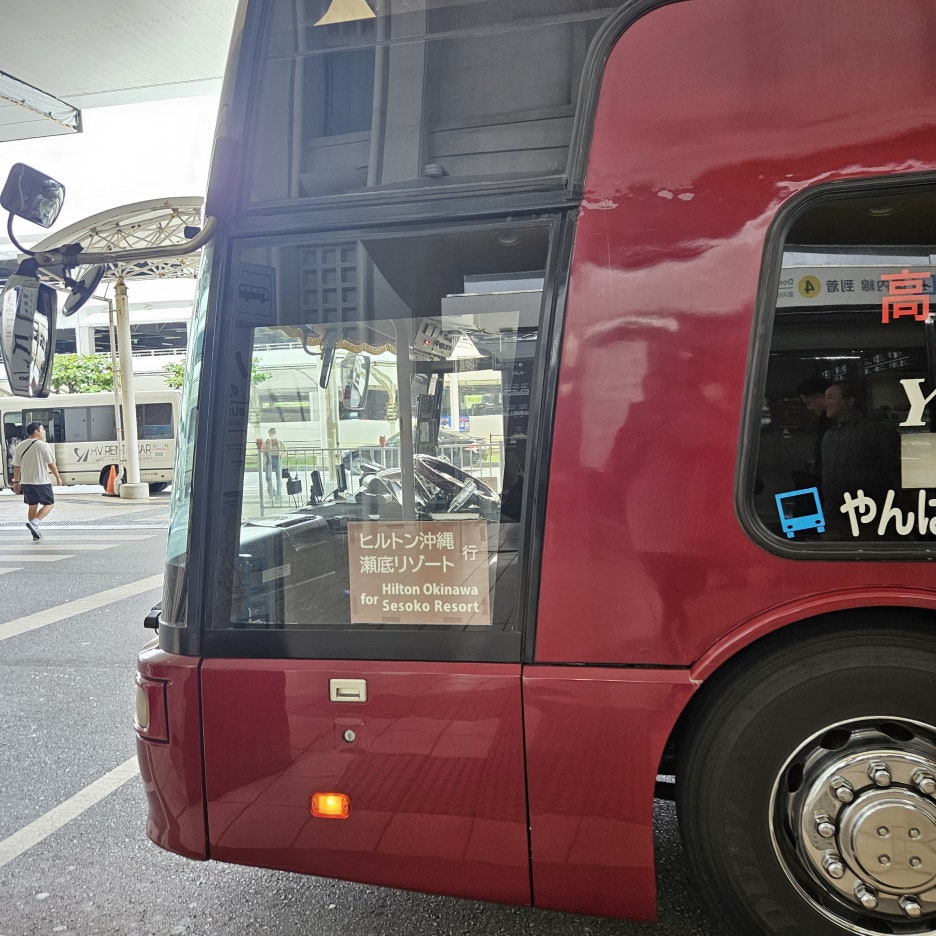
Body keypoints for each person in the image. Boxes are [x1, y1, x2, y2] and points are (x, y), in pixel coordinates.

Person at [820, 381, 900, 529]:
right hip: (836, 514)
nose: (826, 403)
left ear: (849, 401)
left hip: (871, 516)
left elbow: (893, 471)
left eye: (831, 397)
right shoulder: (829, 436)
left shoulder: (876, 431)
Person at [12, 422, 63, 540]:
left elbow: (17, 466)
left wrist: (16, 482)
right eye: (42, 429)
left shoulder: (20, 446)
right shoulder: (43, 445)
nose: (44, 432)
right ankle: (35, 523)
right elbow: (51, 464)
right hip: (41, 481)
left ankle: (34, 533)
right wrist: (58, 477)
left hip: (26, 481)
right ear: (36, 432)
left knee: (32, 506)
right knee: (49, 504)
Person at [262, 427, 286, 501]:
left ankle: (279, 495)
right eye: (269, 434)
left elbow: (285, 451)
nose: (270, 436)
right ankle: (272, 493)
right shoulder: (267, 442)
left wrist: (281, 455)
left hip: (278, 459)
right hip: (269, 459)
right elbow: (263, 451)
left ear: (275, 434)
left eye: (272, 434)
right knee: (268, 477)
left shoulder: (280, 442)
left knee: (278, 478)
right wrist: (264, 461)